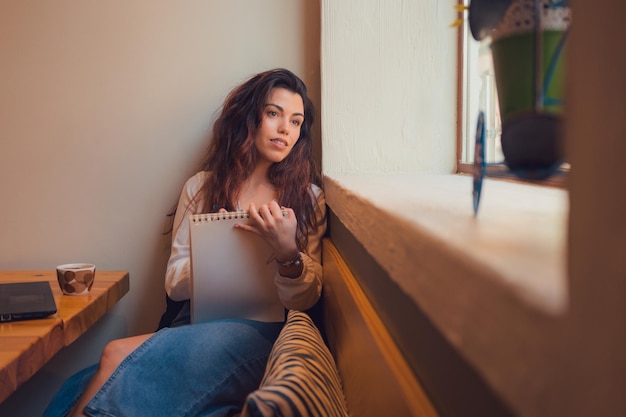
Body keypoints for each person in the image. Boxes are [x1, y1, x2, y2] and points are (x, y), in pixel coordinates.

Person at [43, 68, 326, 417]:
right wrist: (220, 251)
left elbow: (307, 298)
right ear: (250, 118)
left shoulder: (308, 198)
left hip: (261, 331)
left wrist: (286, 252)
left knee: (115, 354)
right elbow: (174, 283)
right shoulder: (201, 187)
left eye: (296, 121)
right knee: (78, 384)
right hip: (195, 323)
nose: (286, 129)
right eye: (274, 114)